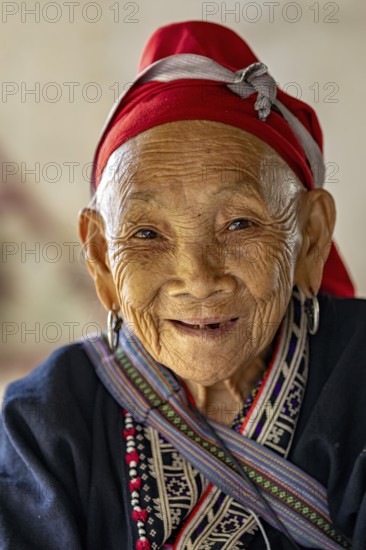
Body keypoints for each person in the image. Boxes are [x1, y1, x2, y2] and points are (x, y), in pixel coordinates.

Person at [1, 20, 365, 550]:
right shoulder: (47, 420)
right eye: (147, 234)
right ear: (102, 258)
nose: (198, 278)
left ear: (308, 238)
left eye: (239, 224)